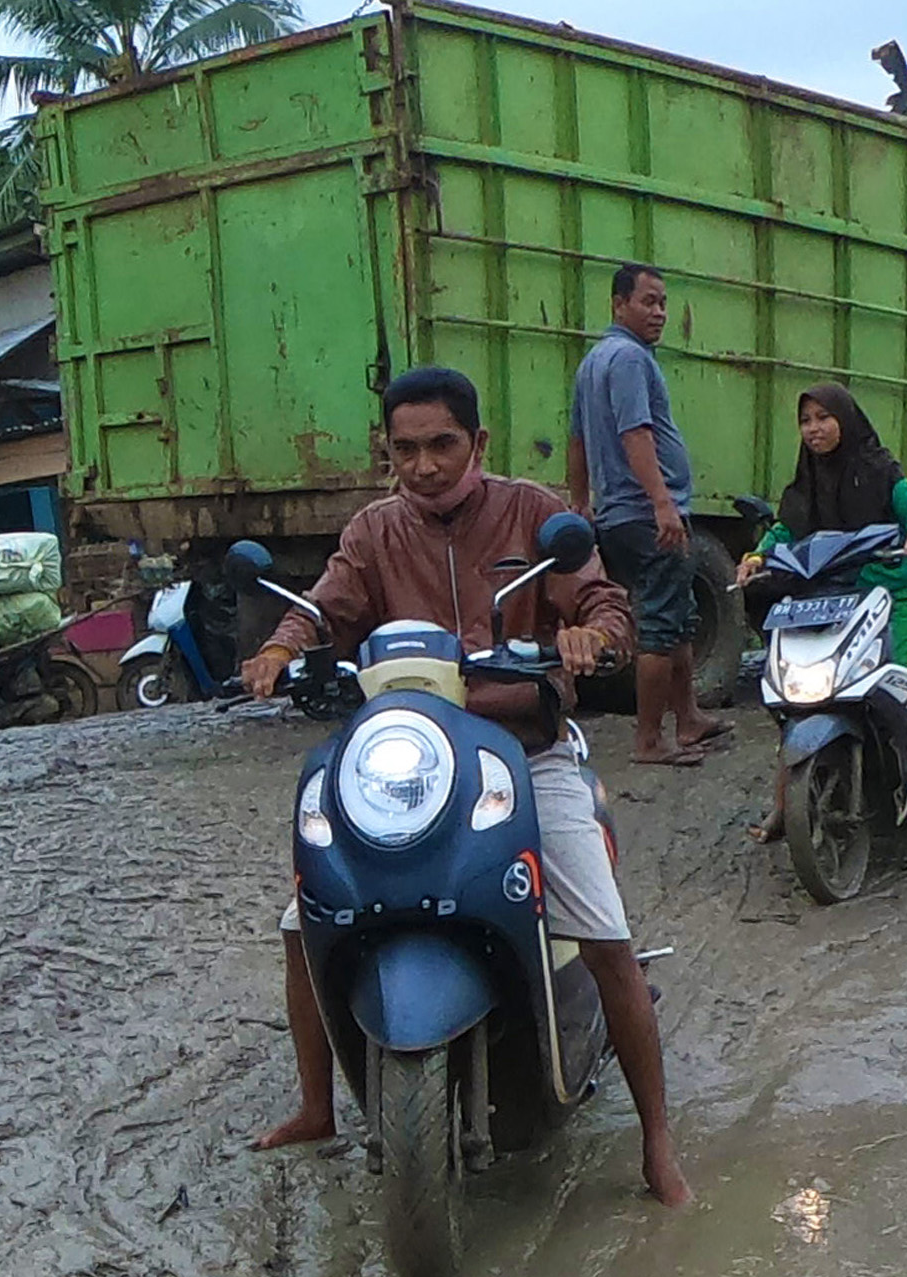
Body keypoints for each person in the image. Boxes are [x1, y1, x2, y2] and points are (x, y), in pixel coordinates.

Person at [236, 365, 689, 1211]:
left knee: (600, 922)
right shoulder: (373, 532)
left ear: (477, 443)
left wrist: (592, 632)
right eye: (405, 450)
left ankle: (659, 1143)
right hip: (407, 762)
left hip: (526, 752)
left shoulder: (531, 512)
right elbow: (323, 609)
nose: (425, 466)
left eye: (443, 445)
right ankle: (314, 1106)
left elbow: (602, 598)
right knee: (303, 918)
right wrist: (279, 647)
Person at [743, 383, 907, 847]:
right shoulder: (807, 483)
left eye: (824, 417)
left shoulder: (880, 471)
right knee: (787, 690)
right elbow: (787, 528)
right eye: (805, 421)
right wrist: (757, 558)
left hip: (898, 592)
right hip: (831, 596)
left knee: (904, 674)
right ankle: (787, 802)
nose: (814, 429)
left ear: (845, 417)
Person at [567, 261, 726, 765]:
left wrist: (580, 502)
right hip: (644, 513)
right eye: (648, 301)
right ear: (619, 305)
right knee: (659, 626)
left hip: (617, 513)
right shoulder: (630, 360)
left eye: (663, 303)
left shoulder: (593, 361)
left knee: (677, 616)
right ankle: (650, 742)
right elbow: (636, 433)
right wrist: (662, 504)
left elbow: (576, 439)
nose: (659, 312)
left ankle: (690, 717)